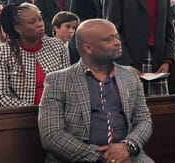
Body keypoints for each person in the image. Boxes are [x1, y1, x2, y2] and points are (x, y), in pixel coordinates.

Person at [38, 19, 153, 163]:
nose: (117, 42)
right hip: (79, 158)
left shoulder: (130, 75)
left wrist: (127, 146)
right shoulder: (58, 80)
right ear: (88, 48)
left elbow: (143, 120)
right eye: (109, 39)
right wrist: (105, 158)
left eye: (116, 37)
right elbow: (52, 135)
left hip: (127, 154)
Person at [0, 3, 70, 108]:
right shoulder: (2, 52)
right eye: (32, 22)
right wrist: (34, 109)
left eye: (40, 19)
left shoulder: (57, 45)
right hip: (20, 114)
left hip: (56, 112)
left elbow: (68, 84)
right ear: (18, 28)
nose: (40, 24)